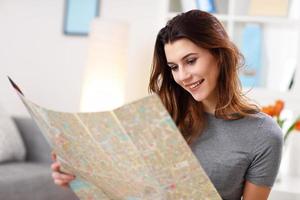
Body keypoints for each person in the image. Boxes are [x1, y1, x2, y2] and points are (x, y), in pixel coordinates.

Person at [51, 10, 283, 200]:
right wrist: (75, 175)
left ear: (219, 54)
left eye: (190, 61)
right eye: (173, 67)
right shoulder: (160, 116)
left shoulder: (263, 135)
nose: (183, 76)